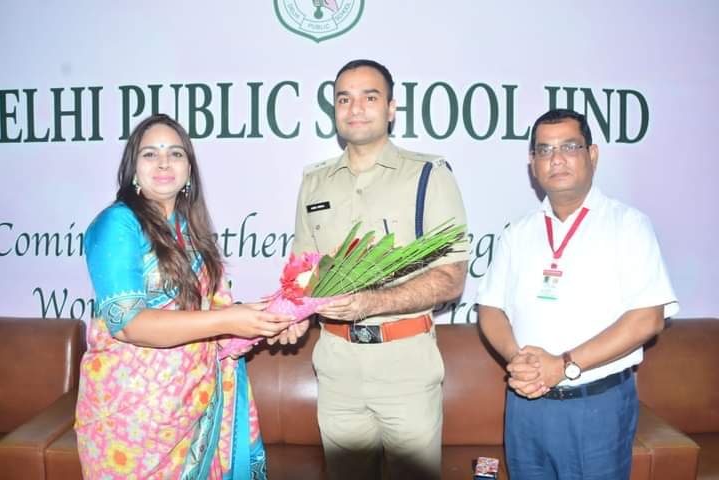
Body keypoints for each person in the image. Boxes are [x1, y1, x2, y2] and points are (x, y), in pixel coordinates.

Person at [74, 113, 293, 479]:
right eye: (150, 154)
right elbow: (128, 324)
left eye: (175, 153)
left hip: (193, 408)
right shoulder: (117, 224)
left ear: (189, 171)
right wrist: (230, 320)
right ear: (132, 169)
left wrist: (270, 317)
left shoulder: (191, 232)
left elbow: (214, 312)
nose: (164, 162)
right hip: (131, 422)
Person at [288, 59, 469, 480]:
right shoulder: (314, 182)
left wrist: (371, 303)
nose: (355, 108)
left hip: (405, 365)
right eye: (344, 99)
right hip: (336, 365)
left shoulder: (428, 175)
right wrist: (289, 312)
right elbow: (302, 272)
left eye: (369, 97)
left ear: (391, 108)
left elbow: (451, 277)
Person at [475, 108, 679, 479]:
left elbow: (648, 319)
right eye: (544, 150)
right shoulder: (517, 233)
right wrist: (517, 359)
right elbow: (490, 308)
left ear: (592, 154)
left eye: (569, 146)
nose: (556, 159)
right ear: (533, 164)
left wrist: (564, 364)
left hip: (595, 406)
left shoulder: (627, 225)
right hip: (525, 403)